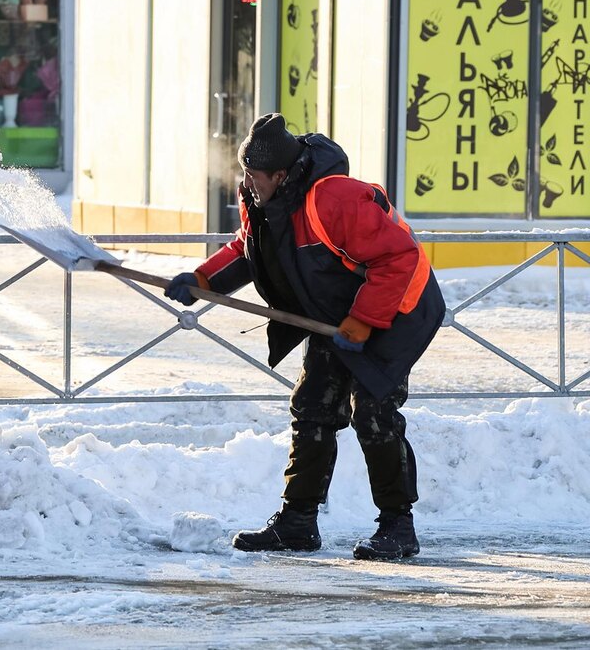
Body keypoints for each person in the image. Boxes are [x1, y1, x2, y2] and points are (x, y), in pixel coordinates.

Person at [165, 113, 444, 560]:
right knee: (312, 408)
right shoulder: (261, 198)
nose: (248, 183)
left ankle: (397, 526)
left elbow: (399, 257)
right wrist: (202, 279)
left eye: (255, 176)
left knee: (372, 413)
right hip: (335, 314)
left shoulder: (334, 198)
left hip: (398, 309)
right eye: (245, 174)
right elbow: (248, 247)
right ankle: (297, 523)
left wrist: (366, 321)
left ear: (280, 173)